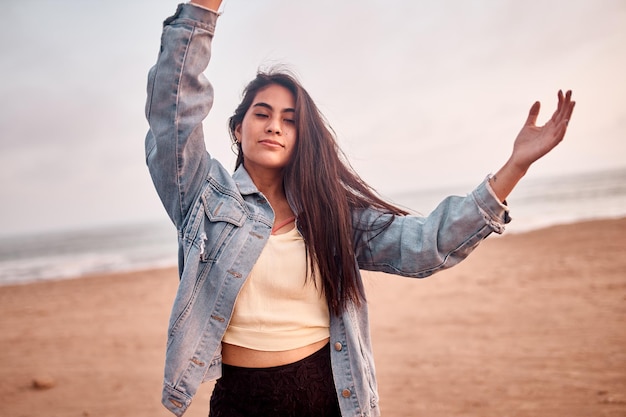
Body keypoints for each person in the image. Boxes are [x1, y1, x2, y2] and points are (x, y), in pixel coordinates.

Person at [145, 2, 575, 416]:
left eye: (290, 119)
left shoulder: (331, 214)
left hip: (330, 396)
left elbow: (425, 243)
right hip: (240, 402)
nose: (275, 125)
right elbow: (174, 113)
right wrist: (204, 8)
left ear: (301, 136)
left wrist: (514, 166)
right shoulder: (203, 197)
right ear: (238, 128)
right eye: (262, 114)